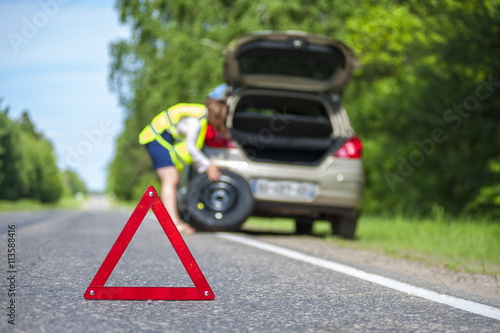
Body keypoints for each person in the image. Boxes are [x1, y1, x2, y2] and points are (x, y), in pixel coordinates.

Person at [138, 98, 229, 234]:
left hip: (160, 139)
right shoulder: (196, 122)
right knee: (171, 179)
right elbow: (191, 148)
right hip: (156, 139)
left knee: (172, 179)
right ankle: (173, 223)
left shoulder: (199, 118)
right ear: (218, 116)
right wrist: (208, 165)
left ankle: (175, 220)